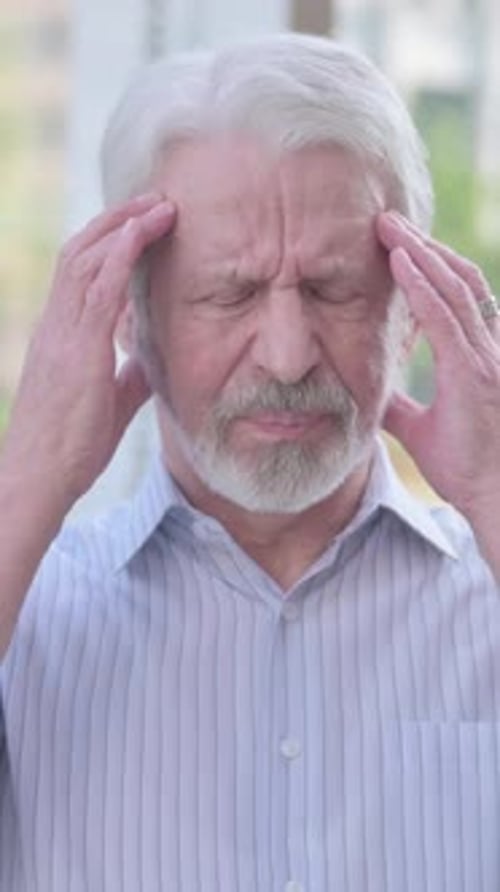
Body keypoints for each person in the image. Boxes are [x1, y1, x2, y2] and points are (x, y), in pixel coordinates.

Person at [1, 31, 499, 892]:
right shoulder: (30, 614)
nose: (286, 355)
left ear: (411, 312)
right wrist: (29, 480)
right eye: (228, 293)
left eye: (333, 288)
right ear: (130, 320)